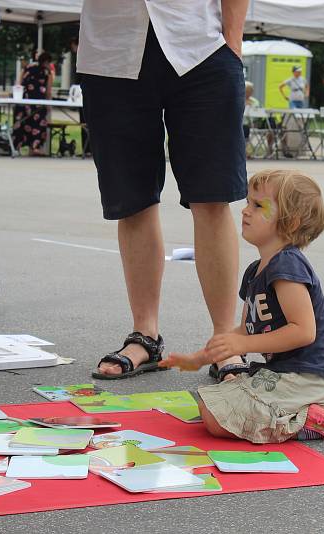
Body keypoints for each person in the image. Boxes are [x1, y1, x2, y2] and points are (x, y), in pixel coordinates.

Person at [78, 2, 249, 380]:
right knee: (132, 198)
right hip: (111, 49)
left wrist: (232, 44)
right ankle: (145, 336)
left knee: (212, 195)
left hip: (201, 45)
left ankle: (225, 340)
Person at [160, 170, 324, 443]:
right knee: (210, 404)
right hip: (282, 375)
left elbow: (303, 332)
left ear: (291, 222)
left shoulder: (287, 265)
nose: (245, 211)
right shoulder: (256, 271)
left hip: (305, 377)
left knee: (217, 420)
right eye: (247, 202)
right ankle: (308, 412)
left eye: (258, 206)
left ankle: (308, 421)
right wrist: (198, 359)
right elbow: (244, 330)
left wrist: (244, 347)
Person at [12, 52, 53, 156]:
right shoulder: (47, 72)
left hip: (24, 101)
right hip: (39, 103)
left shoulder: (27, 68)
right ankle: (34, 147)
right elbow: (48, 91)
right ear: (46, 62)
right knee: (38, 124)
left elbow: (19, 84)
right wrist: (49, 104)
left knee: (22, 123)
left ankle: (17, 147)